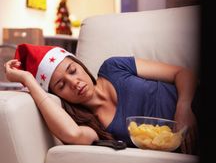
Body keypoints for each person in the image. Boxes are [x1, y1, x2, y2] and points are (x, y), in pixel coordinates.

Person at [4, 43, 199, 154]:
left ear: (79, 64)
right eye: (61, 85)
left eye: (72, 70)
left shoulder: (113, 67)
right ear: (57, 95)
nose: (74, 83)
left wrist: (184, 107)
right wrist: (28, 80)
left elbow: (182, 74)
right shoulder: (92, 125)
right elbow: (72, 134)